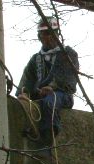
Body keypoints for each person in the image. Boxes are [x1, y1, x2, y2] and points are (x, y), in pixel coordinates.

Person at [16, 16, 79, 146]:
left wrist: (53, 87)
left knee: (49, 102)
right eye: (44, 34)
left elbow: (70, 79)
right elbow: (27, 79)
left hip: (61, 95)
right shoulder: (36, 59)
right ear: (39, 36)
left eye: (50, 33)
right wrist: (23, 93)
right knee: (23, 104)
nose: (48, 37)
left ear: (57, 34)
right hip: (39, 95)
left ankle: (47, 137)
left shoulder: (68, 54)